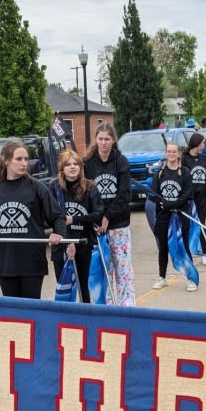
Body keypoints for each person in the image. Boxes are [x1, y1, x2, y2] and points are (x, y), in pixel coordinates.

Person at [0, 141, 65, 299]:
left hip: (32, 263)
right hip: (5, 263)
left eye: (26, 159)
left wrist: (59, 234)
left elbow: (57, 216)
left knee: (31, 311)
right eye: (19, 159)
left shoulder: (37, 188)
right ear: (7, 161)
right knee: (13, 314)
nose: (24, 163)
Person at [83, 122, 136, 306]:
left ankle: (126, 306)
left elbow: (124, 195)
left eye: (107, 139)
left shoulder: (120, 161)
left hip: (118, 223)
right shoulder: (88, 163)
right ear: (95, 140)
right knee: (105, 270)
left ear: (113, 140)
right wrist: (97, 217)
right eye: (100, 139)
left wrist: (108, 216)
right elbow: (85, 193)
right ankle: (105, 307)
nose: (104, 142)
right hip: (97, 226)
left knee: (122, 268)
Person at [49, 149, 103, 303]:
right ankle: (65, 319)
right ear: (62, 168)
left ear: (80, 167)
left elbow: (98, 214)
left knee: (83, 286)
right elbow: (48, 215)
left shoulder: (90, 187)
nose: (72, 167)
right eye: (68, 164)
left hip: (83, 243)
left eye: (75, 164)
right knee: (64, 286)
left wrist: (74, 219)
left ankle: (85, 318)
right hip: (61, 245)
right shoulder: (55, 188)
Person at [150, 142, 196, 292]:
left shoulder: (185, 172)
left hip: (181, 216)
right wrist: (162, 202)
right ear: (165, 153)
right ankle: (162, 277)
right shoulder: (159, 174)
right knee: (163, 247)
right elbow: (153, 195)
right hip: (164, 218)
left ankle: (191, 279)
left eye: (174, 151)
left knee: (184, 247)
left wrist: (171, 204)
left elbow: (187, 194)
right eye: (169, 151)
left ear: (178, 154)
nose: (171, 154)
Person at [182, 133, 206, 264]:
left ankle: (204, 252)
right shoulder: (184, 159)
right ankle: (186, 254)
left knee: (201, 224)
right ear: (197, 143)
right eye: (203, 143)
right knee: (186, 226)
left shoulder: (204, 158)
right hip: (188, 199)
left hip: (201, 198)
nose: (204, 145)